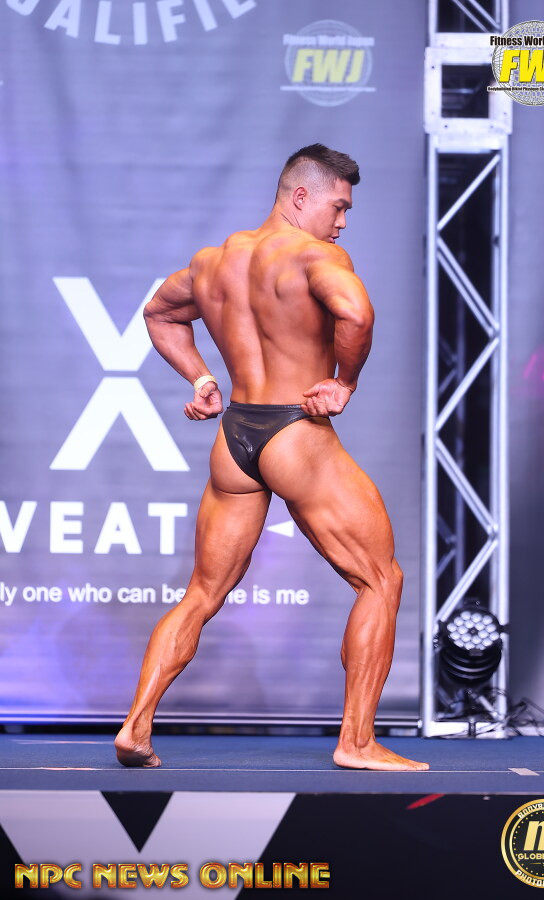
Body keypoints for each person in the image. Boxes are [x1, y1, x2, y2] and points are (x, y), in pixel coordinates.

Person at [115, 144, 429, 772]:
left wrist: (202, 378)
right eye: (338, 207)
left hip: (235, 435)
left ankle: (135, 727)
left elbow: (159, 313)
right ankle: (357, 742)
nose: (343, 222)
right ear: (300, 196)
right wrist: (343, 382)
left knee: (202, 592)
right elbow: (356, 312)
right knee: (380, 580)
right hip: (295, 431)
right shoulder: (316, 257)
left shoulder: (212, 262)